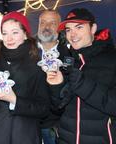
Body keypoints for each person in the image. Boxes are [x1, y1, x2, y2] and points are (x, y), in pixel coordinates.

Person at [0, 11, 50, 144]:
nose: (9, 38)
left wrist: (14, 100)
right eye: (5, 33)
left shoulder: (38, 67)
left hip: (24, 135)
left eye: (15, 32)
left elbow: (44, 109)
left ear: (25, 34)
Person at [46, 8, 116, 144]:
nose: (73, 34)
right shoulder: (66, 60)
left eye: (79, 27)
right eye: (68, 30)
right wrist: (56, 87)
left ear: (93, 28)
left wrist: (83, 84)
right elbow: (57, 110)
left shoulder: (112, 59)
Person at [37, 9, 69, 144]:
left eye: (52, 23)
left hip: (53, 124)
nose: (46, 27)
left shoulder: (68, 54)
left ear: (59, 27)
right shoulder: (27, 50)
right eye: (42, 22)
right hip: (28, 121)